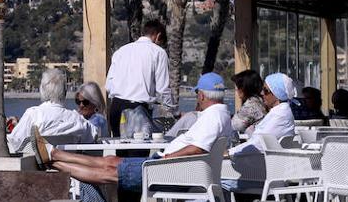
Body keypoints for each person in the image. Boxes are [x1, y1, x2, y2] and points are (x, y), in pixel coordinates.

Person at [36, 72, 232, 192]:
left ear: (203, 95)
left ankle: (53, 161)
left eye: (198, 94)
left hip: (170, 170)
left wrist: (168, 158)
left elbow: (198, 148)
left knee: (107, 173)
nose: (197, 97)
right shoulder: (219, 115)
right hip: (172, 167)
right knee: (110, 163)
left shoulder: (213, 116)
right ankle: (54, 154)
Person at [105, 18, 175, 137]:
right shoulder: (158, 52)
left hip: (116, 107)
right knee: (139, 151)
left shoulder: (121, 51)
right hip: (138, 109)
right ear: (158, 36)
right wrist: (172, 110)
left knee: (120, 150)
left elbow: (108, 85)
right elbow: (163, 89)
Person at [7, 68, 99, 153]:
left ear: (42, 90)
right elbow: (94, 134)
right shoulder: (76, 118)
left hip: (38, 168)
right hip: (70, 167)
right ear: (64, 92)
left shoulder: (33, 114)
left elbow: (15, 141)